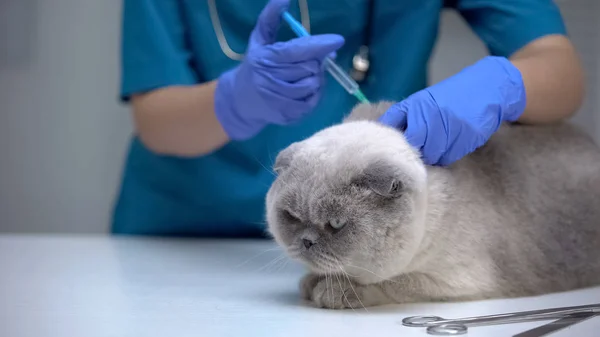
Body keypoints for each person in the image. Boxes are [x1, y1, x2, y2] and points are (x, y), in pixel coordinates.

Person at [114, 0, 584, 237]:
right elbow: (156, 119)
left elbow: (559, 70)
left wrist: (501, 84)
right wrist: (234, 100)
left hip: (371, 243)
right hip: (188, 233)